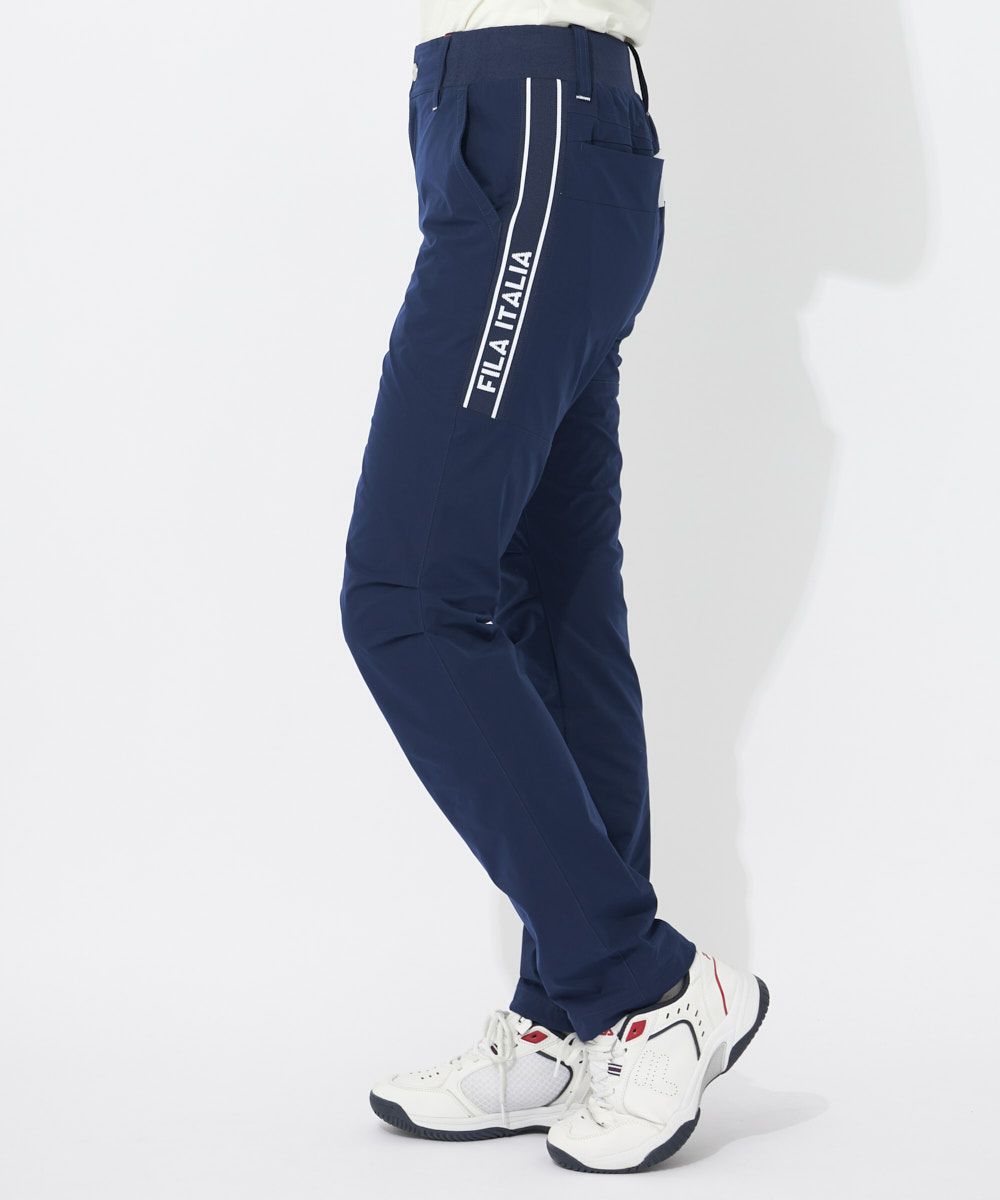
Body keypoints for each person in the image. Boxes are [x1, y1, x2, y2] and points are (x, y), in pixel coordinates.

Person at [341, 1, 768, 1174]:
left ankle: (644, 988)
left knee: (405, 599)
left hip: (531, 120)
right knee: (549, 598)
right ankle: (574, 1017)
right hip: (520, 125)